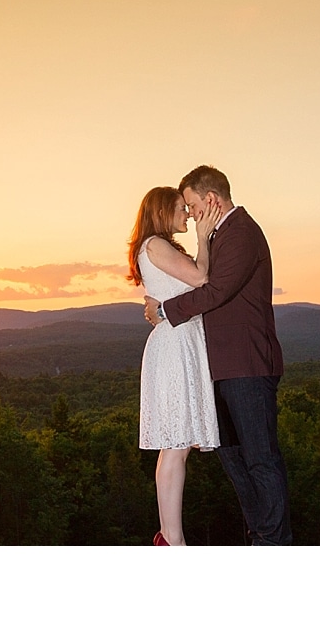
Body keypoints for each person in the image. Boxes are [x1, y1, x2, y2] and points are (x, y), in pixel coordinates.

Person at [144, 165, 293, 545]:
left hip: (247, 364)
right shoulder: (219, 235)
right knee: (234, 460)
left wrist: (165, 311)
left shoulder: (241, 232)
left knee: (260, 460)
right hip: (219, 368)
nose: (191, 213)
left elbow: (216, 290)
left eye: (192, 204)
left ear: (211, 199)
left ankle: (273, 543)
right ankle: (259, 533)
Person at [128, 185, 222, 546]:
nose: (187, 214)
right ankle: (172, 540)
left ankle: (170, 537)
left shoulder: (152, 246)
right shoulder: (155, 244)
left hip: (178, 340)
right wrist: (203, 237)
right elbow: (201, 278)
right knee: (176, 444)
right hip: (176, 344)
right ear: (162, 211)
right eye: (181, 209)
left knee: (176, 445)